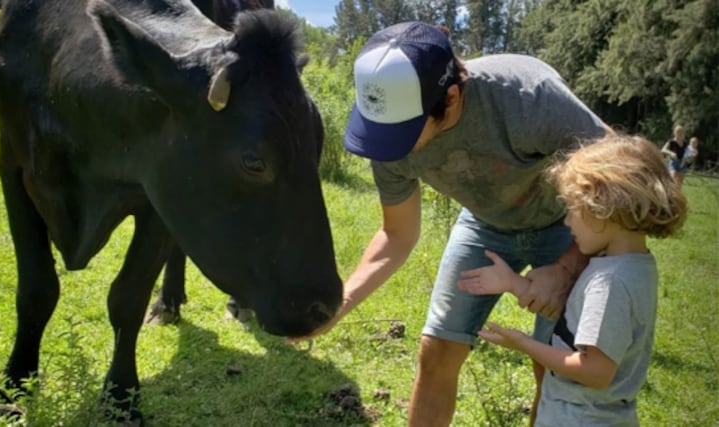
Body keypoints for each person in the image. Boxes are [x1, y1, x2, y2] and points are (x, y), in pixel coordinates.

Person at [293, 22, 613, 426]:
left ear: (452, 97)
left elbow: (616, 176)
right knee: (438, 348)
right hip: (485, 225)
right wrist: (339, 304)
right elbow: (397, 234)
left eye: (404, 132)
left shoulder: (526, 97)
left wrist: (568, 267)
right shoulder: (387, 133)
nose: (390, 147)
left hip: (569, 225)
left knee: (551, 363)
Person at [459, 135, 687, 426]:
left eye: (572, 210)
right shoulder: (634, 265)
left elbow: (595, 371)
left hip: (578, 417)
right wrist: (513, 283)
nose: (567, 222)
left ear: (603, 206)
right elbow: (577, 322)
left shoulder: (610, 282)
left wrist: (523, 344)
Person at [661, 125, 688, 189]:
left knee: (679, 183)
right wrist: (671, 153)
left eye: (681, 132)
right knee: (673, 179)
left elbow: (689, 153)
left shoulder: (685, 143)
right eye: (678, 132)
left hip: (682, 163)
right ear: (674, 133)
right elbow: (663, 150)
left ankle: (676, 197)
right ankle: (669, 194)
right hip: (673, 163)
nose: (680, 133)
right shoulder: (671, 142)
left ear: (683, 133)